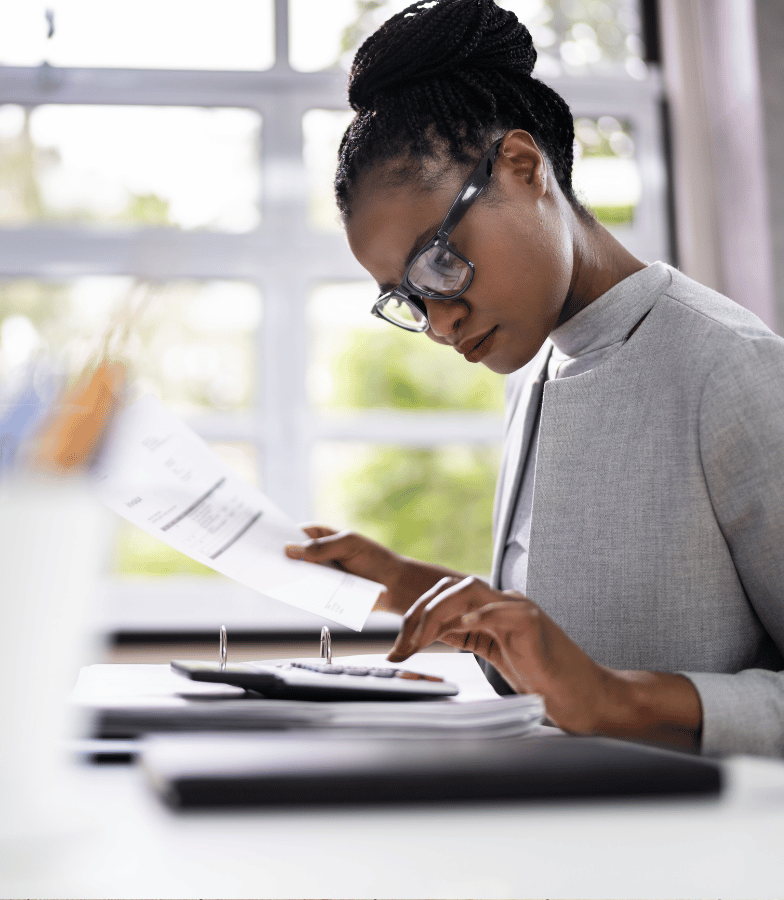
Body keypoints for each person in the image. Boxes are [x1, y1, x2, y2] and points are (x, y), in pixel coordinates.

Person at [285, 0, 784, 757]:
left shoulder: (729, 369)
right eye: (409, 298)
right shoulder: (538, 363)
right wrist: (402, 580)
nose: (441, 321)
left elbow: (591, 685)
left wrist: (619, 699)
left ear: (523, 168)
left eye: (439, 261)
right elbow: (562, 636)